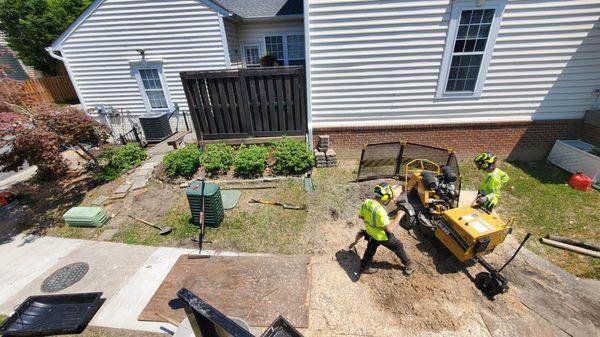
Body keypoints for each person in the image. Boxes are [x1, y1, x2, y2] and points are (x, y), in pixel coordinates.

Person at [358, 183, 417, 276]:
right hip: (382, 235)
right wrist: (399, 215)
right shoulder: (380, 211)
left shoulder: (366, 202)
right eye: (389, 197)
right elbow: (389, 229)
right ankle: (410, 264)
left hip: (371, 232)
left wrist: (376, 222)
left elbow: (361, 216)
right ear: (385, 197)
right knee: (398, 245)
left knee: (371, 248)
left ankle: (364, 266)